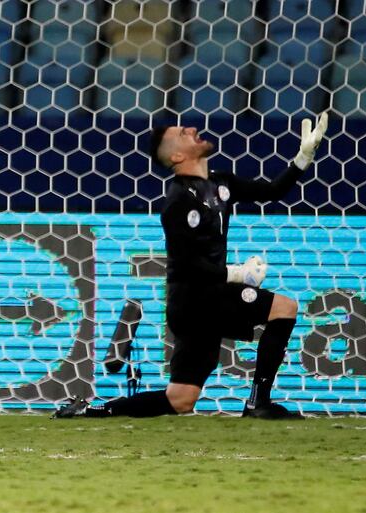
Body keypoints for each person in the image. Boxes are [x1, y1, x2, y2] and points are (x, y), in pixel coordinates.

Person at [55, 112, 329, 420]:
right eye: (184, 133)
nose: (193, 129)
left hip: (206, 299)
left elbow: (272, 192)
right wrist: (237, 273)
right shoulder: (178, 201)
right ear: (176, 155)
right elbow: (185, 265)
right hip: (195, 301)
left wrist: (303, 157)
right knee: (285, 308)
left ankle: (92, 410)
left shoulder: (220, 183)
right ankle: (258, 403)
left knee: (180, 399)